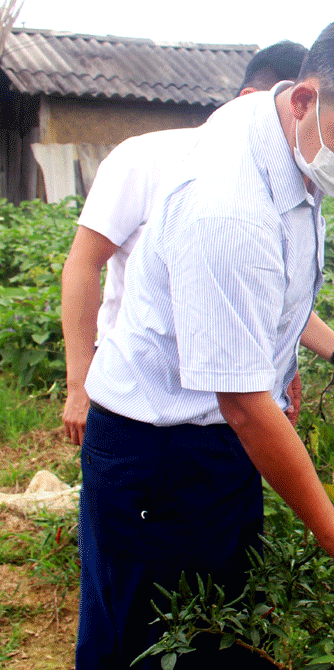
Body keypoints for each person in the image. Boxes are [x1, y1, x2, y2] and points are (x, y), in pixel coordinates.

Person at [75, 15, 334, 669]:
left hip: (213, 443)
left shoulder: (274, 129)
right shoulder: (227, 208)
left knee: (213, 628)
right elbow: (243, 403)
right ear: (304, 98)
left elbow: (266, 296)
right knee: (144, 643)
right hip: (162, 453)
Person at [61, 40, 307, 446]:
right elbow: (84, 264)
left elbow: (263, 290)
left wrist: (290, 364)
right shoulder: (146, 157)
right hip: (143, 400)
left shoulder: (278, 181)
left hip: (232, 408)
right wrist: (78, 384)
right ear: (250, 99)